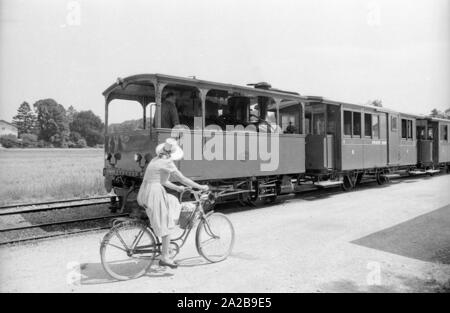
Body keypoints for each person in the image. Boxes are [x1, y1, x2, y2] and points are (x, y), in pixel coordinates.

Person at [137, 138, 208, 269]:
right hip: (154, 193)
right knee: (167, 223)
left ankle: (166, 244)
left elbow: (163, 181)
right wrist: (201, 187)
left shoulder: (156, 160)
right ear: (172, 153)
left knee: (173, 201)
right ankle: (165, 257)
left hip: (145, 191)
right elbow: (182, 178)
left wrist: (177, 188)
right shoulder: (168, 162)